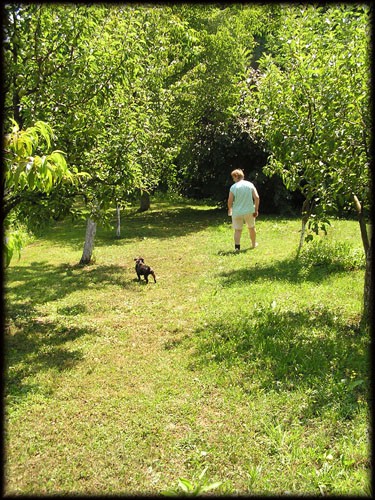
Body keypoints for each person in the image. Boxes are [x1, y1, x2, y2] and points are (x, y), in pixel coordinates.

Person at [227, 169, 260, 252]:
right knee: (251, 227)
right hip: (249, 210)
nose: (233, 179)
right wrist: (256, 210)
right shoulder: (250, 184)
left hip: (237, 212)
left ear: (236, 176)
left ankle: (237, 248)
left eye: (233, 177)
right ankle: (253, 244)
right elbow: (257, 197)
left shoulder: (233, 187)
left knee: (237, 230)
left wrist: (230, 209)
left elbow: (230, 201)